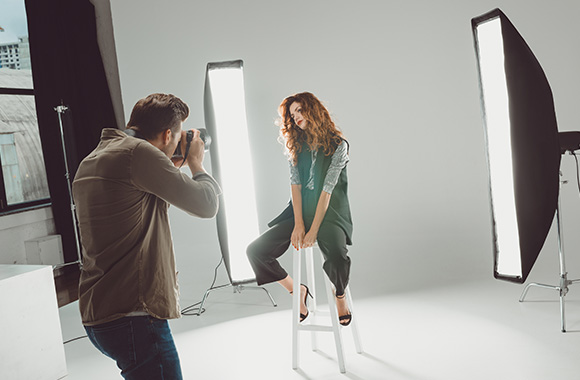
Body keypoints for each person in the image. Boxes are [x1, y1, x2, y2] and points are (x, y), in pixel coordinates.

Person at [72, 93, 221, 379]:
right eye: (176, 138)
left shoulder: (95, 157)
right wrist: (196, 163)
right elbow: (206, 205)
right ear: (167, 134)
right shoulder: (138, 154)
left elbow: (138, 202)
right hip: (134, 316)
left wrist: (171, 163)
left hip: (99, 314)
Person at [247, 92, 353, 326]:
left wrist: (313, 230)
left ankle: (340, 295)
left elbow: (327, 190)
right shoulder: (296, 145)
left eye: (299, 111)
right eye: (292, 114)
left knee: (336, 255)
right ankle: (297, 291)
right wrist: (298, 223)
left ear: (313, 111)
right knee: (256, 251)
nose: (295, 117)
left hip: (330, 214)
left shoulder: (338, 146)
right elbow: (295, 186)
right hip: (299, 212)